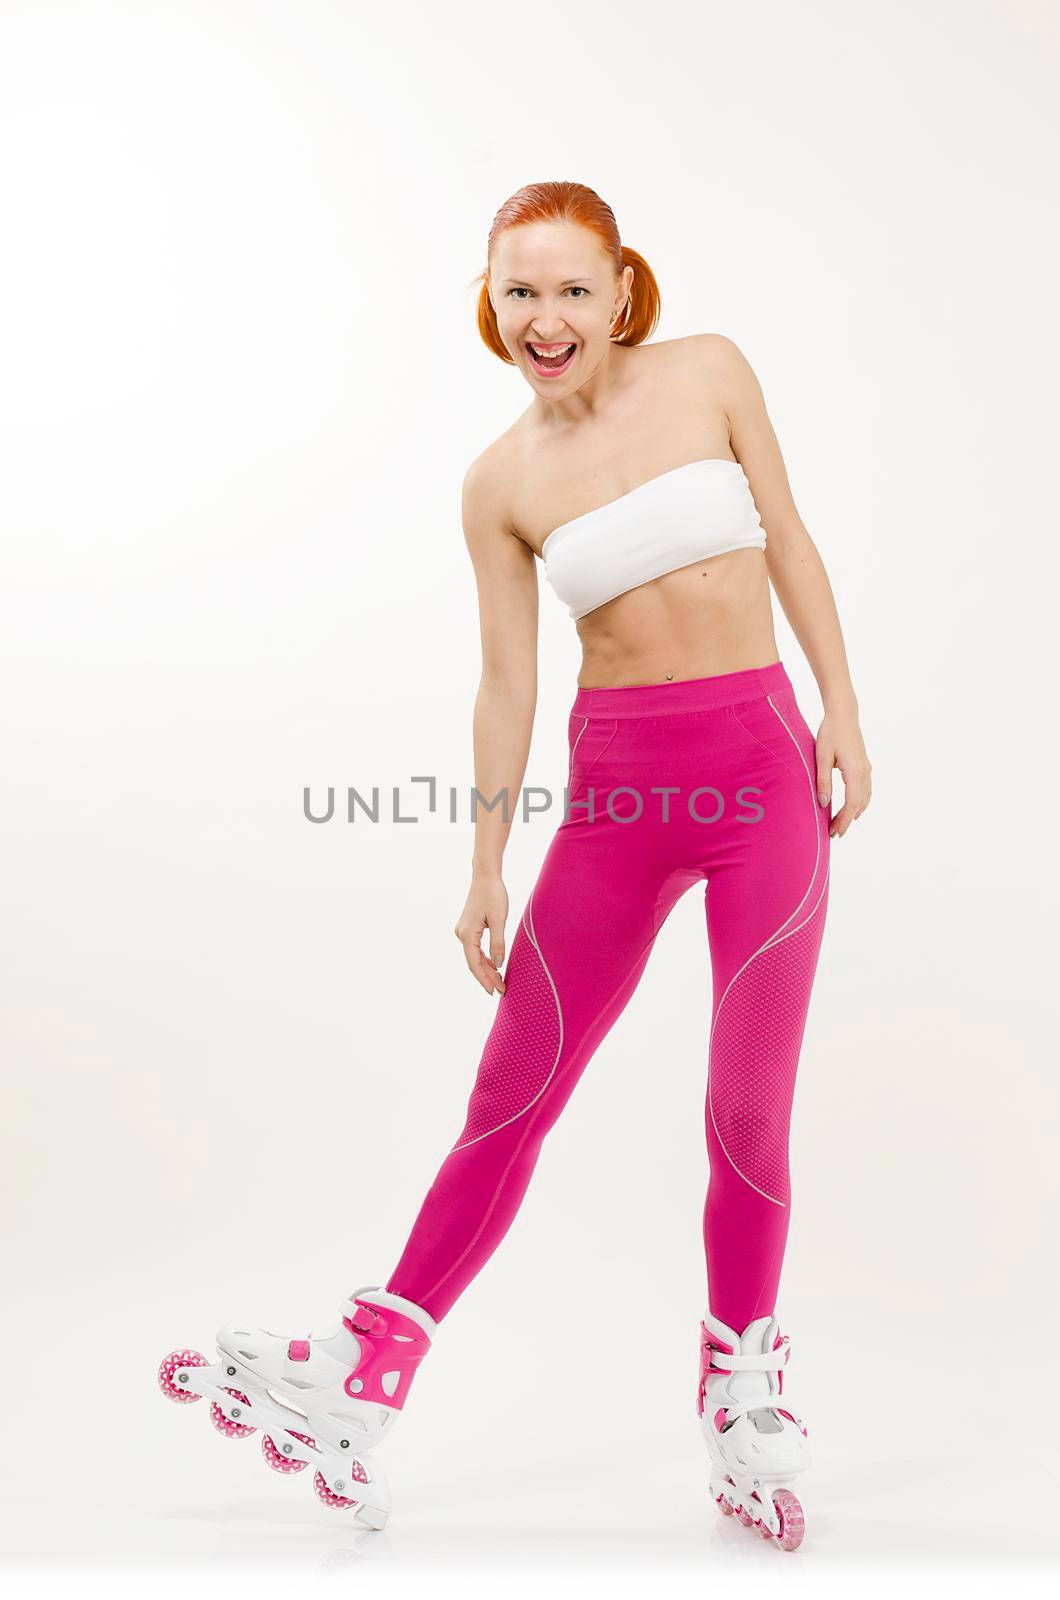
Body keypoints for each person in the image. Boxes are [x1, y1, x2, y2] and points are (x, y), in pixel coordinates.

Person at [159, 180, 872, 1549]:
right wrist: (486, 858)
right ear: (492, 303)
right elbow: (507, 682)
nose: (545, 319)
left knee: (748, 1107)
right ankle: (361, 1371)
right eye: (518, 292)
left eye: (570, 289)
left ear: (620, 291)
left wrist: (842, 705)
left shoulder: (712, 372)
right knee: (513, 1095)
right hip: (617, 793)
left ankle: (739, 1385)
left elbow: (788, 536)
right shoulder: (500, 481)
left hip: (760, 775)